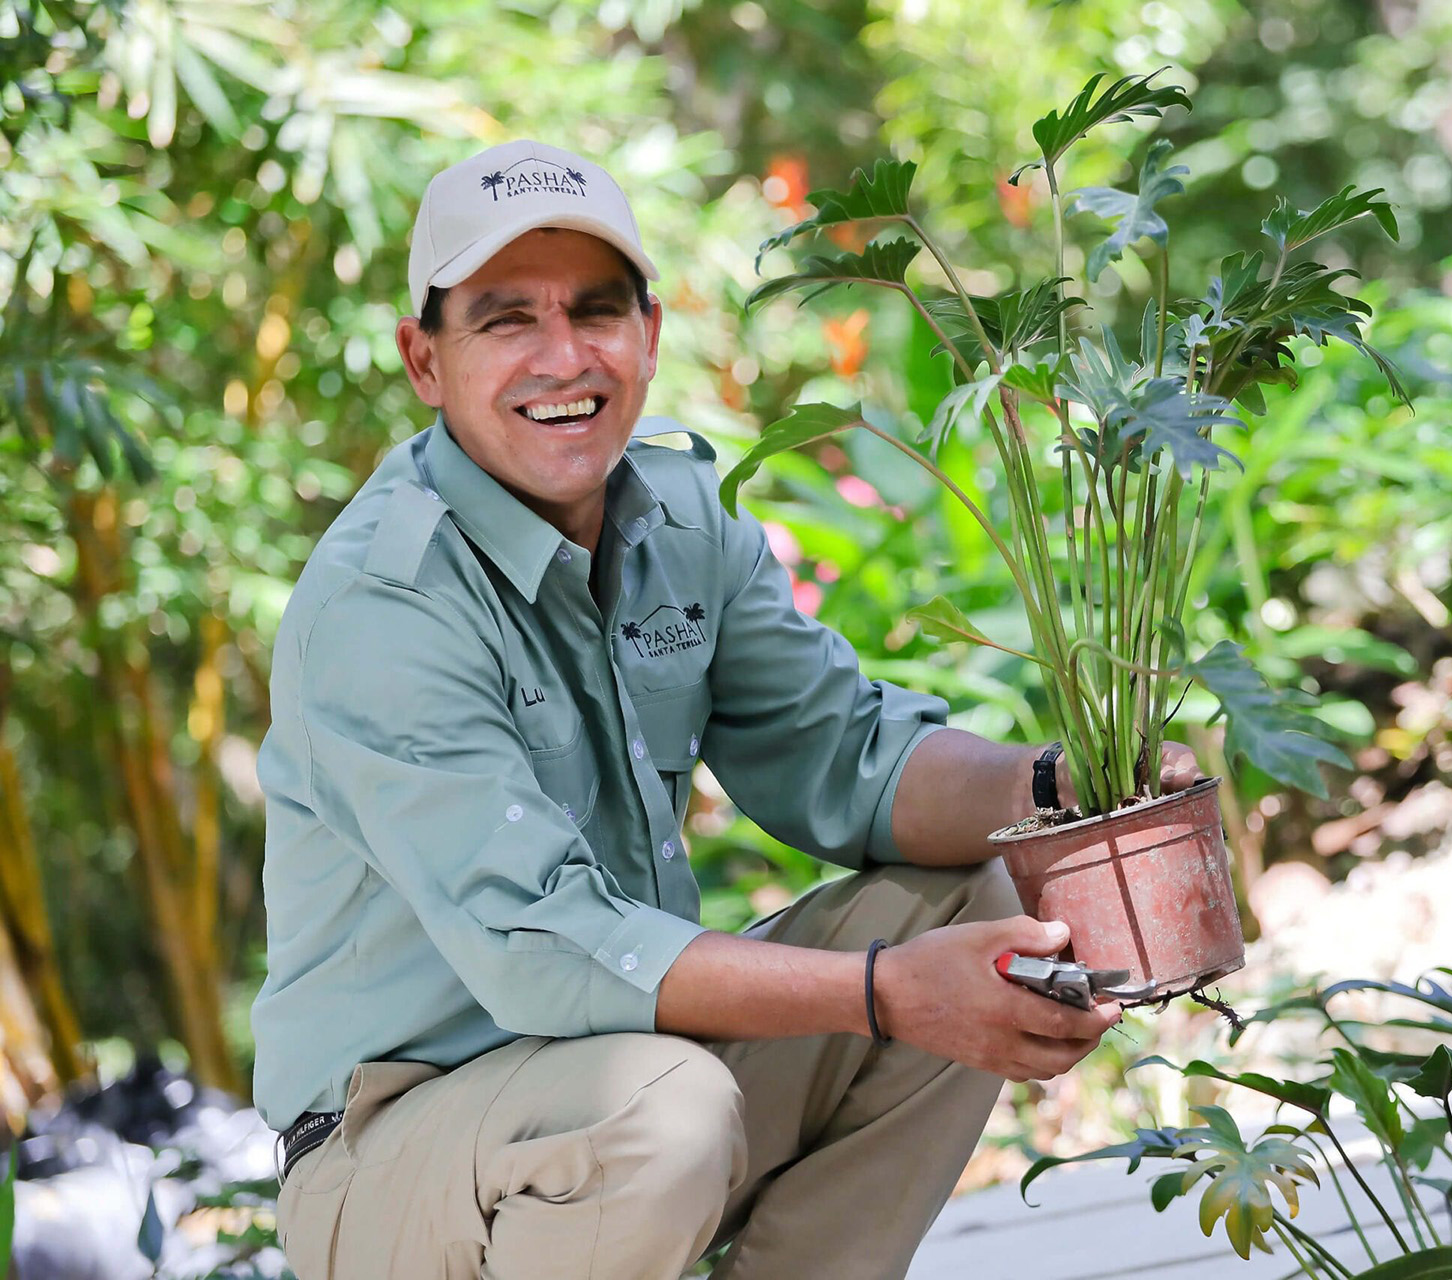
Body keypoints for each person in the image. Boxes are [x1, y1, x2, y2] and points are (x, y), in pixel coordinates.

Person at [251, 139, 1201, 1280]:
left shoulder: (682, 516)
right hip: (395, 1153)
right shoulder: (383, 601)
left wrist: (1067, 783)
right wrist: (885, 995)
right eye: (506, 319)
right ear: (424, 358)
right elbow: (538, 941)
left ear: (648, 332)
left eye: (597, 310)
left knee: (978, 902)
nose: (565, 356)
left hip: (630, 1076)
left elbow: (845, 758)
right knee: (674, 1109)